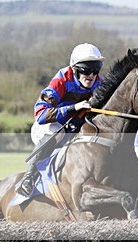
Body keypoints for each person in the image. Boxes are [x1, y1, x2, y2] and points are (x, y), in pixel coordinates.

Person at [15, 43, 104, 196]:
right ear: (75, 69)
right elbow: (41, 115)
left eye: (96, 70)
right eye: (86, 70)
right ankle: (28, 178)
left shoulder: (99, 83)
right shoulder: (61, 81)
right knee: (58, 131)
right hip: (50, 127)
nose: (91, 75)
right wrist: (73, 108)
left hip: (76, 127)